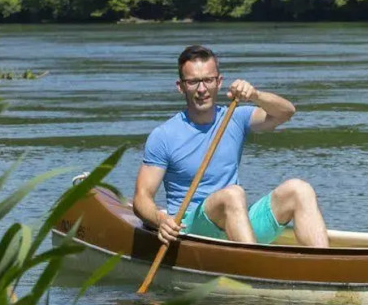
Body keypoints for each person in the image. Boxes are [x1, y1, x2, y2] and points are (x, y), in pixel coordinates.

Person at [132, 45, 330, 247]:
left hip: (236, 221)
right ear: (180, 86)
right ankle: (253, 262)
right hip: (189, 229)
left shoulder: (234, 117)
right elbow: (141, 198)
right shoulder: (164, 135)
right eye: (193, 82)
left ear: (219, 82)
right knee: (233, 194)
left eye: (208, 80)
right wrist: (160, 220)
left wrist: (255, 95)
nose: (202, 89)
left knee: (300, 190)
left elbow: (286, 112)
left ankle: (323, 262)